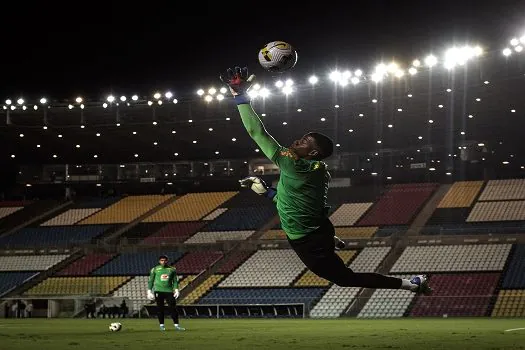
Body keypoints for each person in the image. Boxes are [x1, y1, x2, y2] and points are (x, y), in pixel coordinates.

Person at [220, 67, 432, 294]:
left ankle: (410, 284)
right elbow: (295, 203)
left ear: (312, 153)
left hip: (310, 238)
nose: (297, 141)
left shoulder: (293, 165)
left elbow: (257, 132)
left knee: (344, 279)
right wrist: (268, 192)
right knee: (322, 235)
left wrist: (240, 96)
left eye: (304, 142)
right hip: (318, 228)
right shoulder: (315, 170)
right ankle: (332, 240)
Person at [147, 255, 185, 331]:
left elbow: (175, 281)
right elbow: (151, 280)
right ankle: (161, 325)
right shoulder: (154, 269)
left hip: (169, 291)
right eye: (161, 260)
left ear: (167, 261)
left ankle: (177, 326)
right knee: (160, 308)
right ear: (159, 261)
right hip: (158, 291)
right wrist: (149, 291)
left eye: (164, 260)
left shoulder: (172, 269)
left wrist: (176, 289)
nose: (163, 262)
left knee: (173, 308)